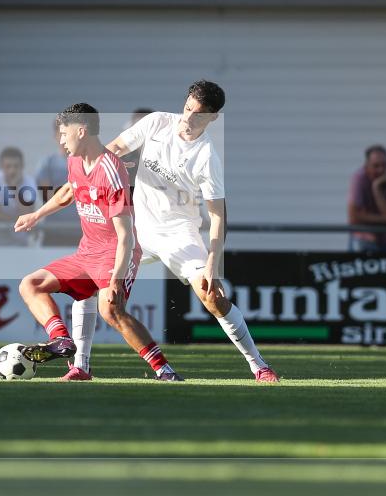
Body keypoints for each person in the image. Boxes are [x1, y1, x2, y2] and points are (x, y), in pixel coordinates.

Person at [69, 81, 279, 383]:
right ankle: (81, 365)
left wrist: (212, 264)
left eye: (198, 115)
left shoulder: (207, 157)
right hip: (136, 227)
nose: (188, 119)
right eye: (187, 109)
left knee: (211, 297)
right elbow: (113, 149)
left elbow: (218, 216)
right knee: (88, 281)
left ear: (212, 119)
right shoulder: (156, 122)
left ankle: (258, 365)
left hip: (178, 233)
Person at [14, 103, 183, 381]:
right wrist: (36, 215)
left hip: (115, 252)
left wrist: (116, 278)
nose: (61, 140)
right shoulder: (74, 161)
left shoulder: (112, 170)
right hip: (87, 252)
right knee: (29, 284)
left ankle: (164, 370)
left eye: (64, 133)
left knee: (110, 310)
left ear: (81, 131)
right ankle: (61, 341)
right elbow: (69, 192)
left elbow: (126, 235)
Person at [347, 145, 386, 253]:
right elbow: (354, 217)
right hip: (365, 238)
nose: (381, 170)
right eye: (376, 166)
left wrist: (376, 189)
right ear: (367, 166)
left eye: (385, 165)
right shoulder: (358, 178)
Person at [34, 121, 80, 246]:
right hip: (53, 233)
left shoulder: (89, 163)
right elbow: (48, 197)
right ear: (55, 135)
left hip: (82, 234)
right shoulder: (47, 164)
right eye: (62, 133)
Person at [0, 147, 36, 246]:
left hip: (19, 243)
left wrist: (14, 188)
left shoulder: (29, 182)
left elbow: (27, 213)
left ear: (22, 166)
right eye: (8, 166)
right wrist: (19, 221)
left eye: (16, 166)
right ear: (1, 167)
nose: (12, 170)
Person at [121, 107, 154, 187]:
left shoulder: (168, 156)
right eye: (136, 130)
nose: (139, 134)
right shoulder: (121, 159)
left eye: (144, 129)